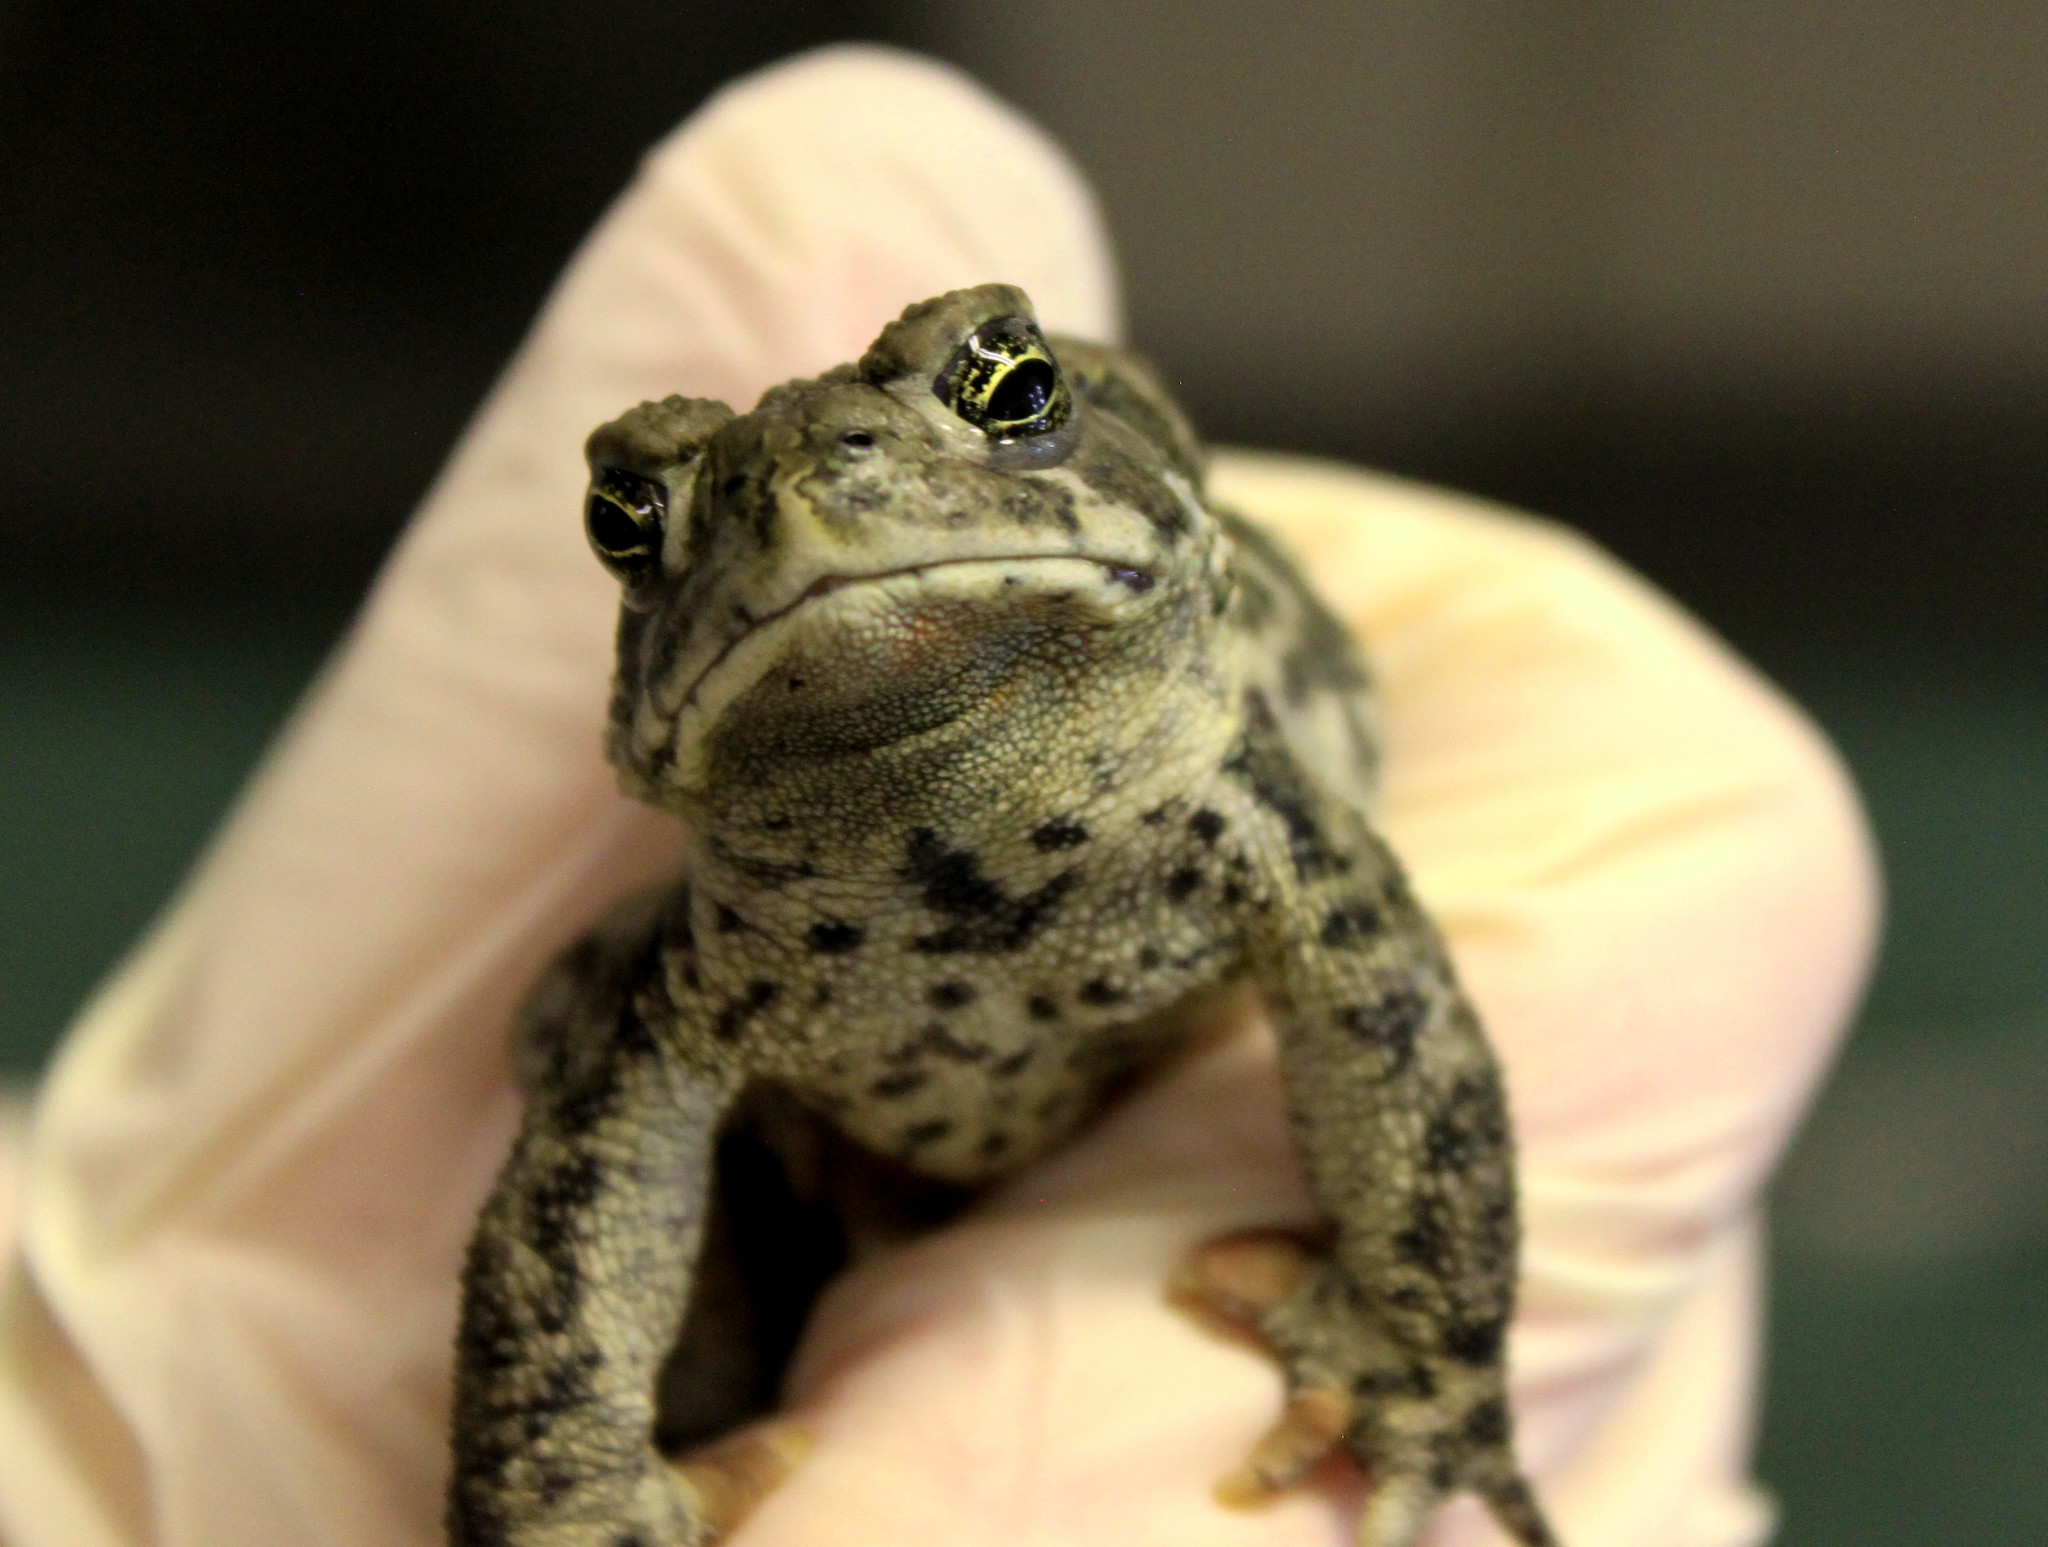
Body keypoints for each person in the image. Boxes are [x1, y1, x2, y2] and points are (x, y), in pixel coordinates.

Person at [0, 45, 1877, 1547]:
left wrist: (1428, 1353)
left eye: (995, 388)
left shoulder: (1219, 786)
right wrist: (549, 1494)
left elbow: (1380, 991)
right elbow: (608, 1161)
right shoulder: (729, 954)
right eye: (641, 526)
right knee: (584, 1016)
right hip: (834, 1145)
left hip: (1131, 919)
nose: (820, 504)